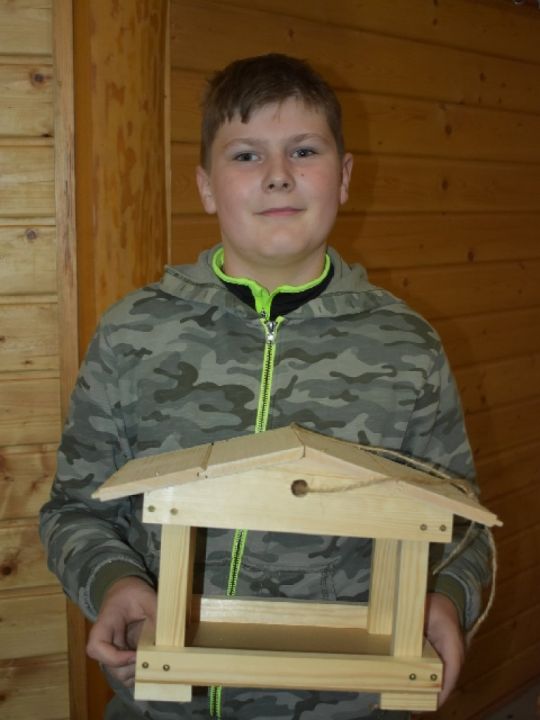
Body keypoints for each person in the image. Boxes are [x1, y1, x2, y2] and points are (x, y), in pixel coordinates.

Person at [40, 53, 492, 720]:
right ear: (206, 187)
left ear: (344, 177)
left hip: (349, 705)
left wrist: (447, 597)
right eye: (247, 155)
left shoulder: (408, 348)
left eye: (303, 151)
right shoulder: (133, 333)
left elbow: (463, 528)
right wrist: (113, 582)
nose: (278, 174)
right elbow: (74, 510)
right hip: (163, 704)